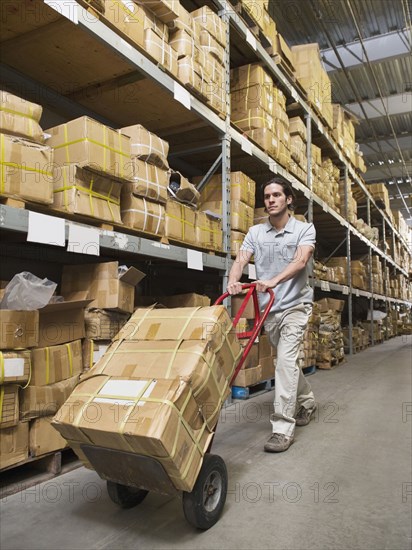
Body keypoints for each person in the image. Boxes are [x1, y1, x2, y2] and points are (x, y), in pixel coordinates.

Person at [227, 178, 317, 452]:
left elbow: (301, 261)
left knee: (284, 362)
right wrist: (233, 281)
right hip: (270, 309)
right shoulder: (255, 232)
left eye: (277, 195)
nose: (271, 200)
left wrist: (275, 280)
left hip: (295, 306)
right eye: (267, 196)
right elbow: (241, 259)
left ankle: (282, 428)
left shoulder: (304, 229)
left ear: (288, 199)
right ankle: (308, 401)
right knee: (285, 363)